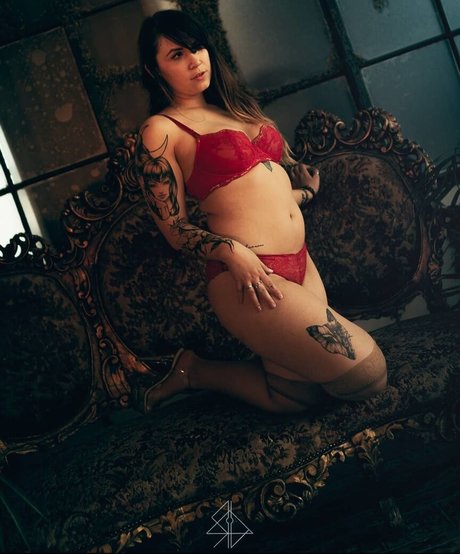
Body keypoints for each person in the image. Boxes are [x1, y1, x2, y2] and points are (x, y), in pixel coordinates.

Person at [132, 9, 387, 414]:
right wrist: (232, 252)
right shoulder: (161, 130)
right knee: (369, 375)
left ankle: (194, 371)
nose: (195, 60)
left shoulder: (236, 107)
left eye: (197, 47)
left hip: (301, 262)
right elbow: (175, 229)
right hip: (247, 276)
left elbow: (262, 195)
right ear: (154, 69)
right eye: (177, 55)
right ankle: (196, 370)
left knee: (296, 398)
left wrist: (304, 192)